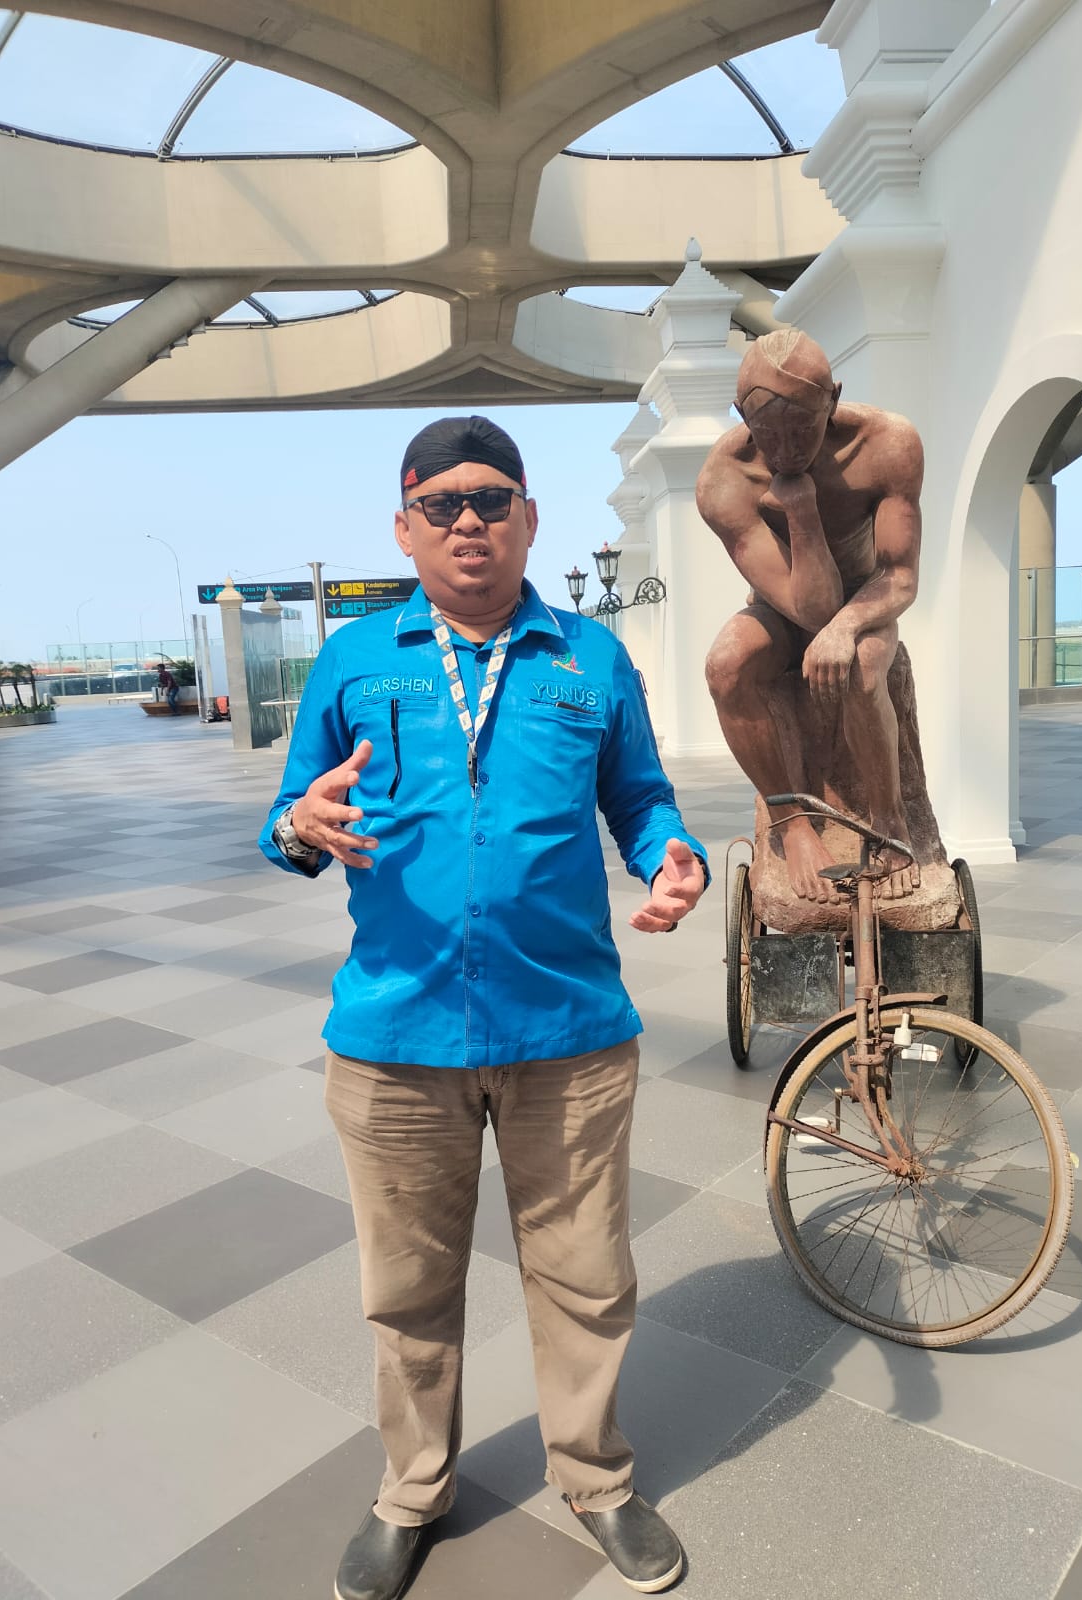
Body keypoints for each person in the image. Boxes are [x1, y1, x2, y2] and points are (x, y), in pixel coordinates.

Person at [260, 415, 707, 1600]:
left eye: (493, 499)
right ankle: (414, 1489)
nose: (470, 520)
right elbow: (289, 818)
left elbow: (641, 798)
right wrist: (300, 824)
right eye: (443, 502)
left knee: (586, 1275)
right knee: (407, 1287)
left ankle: (596, 1478)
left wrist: (672, 855)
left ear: (530, 518)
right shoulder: (356, 659)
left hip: (569, 1034)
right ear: (404, 525)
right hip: (396, 1038)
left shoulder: (591, 658)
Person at [698, 326, 924, 902]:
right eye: (768, 434)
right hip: (781, 609)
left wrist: (846, 627)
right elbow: (807, 606)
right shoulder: (724, 480)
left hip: (864, 602)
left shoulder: (887, 444)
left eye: (802, 428)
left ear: (833, 399)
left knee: (862, 666)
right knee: (726, 665)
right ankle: (793, 824)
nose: (786, 450)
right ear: (741, 417)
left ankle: (890, 823)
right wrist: (800, 510)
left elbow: (899, 575)